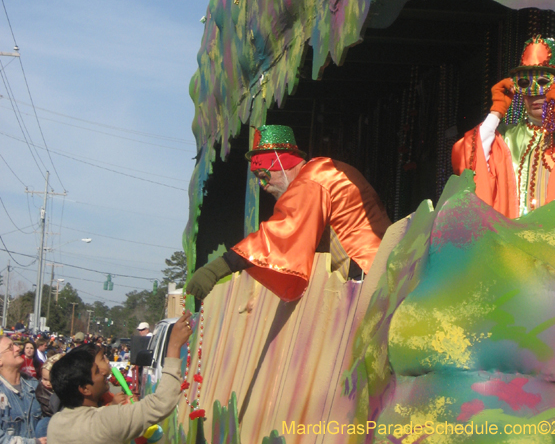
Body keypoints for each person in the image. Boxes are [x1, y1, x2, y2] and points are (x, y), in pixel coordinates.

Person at [186, 125, 391, 303]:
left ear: (281, 163)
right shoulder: (325, 171)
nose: (263, 186)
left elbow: (280, 233)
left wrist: (218, 268)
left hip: (367, 272)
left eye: (264, 176)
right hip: (380, 266)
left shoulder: (312, 180)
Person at [452, 35, 555, 218]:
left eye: (544, 83)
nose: (535, 95)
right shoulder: (505, 136)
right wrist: (496, 112)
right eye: (525, 84)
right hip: (510, 241)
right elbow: (469, 162)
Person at [47, 312, 193, 444]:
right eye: (97, 371)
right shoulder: (105, 421)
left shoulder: (55, 424)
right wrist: (173, 346)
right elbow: (161, 403)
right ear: (84, 389)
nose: (103, 373)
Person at [0, 335, 44, 444]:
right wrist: (35, 442)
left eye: (15, 344)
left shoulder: (34, 385)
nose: (18, 348)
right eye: (10, 347)